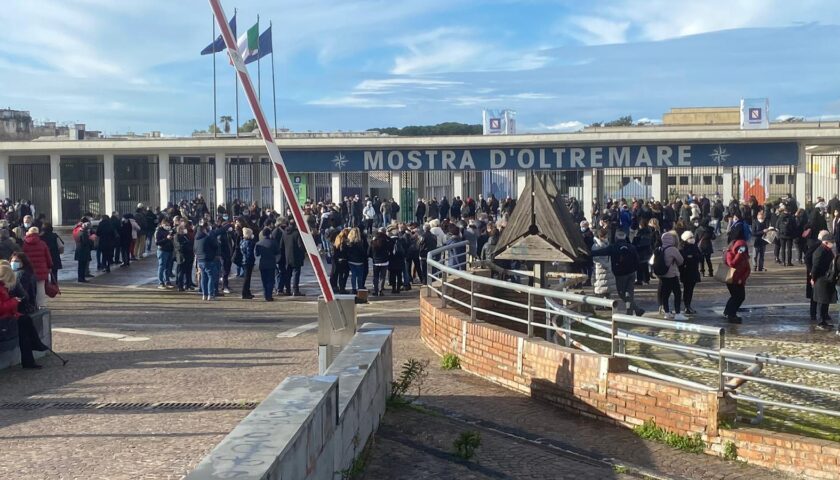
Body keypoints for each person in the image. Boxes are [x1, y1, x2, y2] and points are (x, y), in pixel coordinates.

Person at [591, 230, 644, 316]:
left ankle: (636, 310)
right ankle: (631, 313)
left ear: (616, 238)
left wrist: (588, 253)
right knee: (629, 293)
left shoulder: (613, 247)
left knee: (622, 294)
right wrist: (636, 271)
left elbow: (600, 252)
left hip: (621, 274)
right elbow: (637, 261)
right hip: (631, 273)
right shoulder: (631, 247)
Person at [9, 253, 48, 369]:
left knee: (25, 329)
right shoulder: (26, 273)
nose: (13, 263)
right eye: (12, 260)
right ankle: (36, 346)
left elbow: (23, 295)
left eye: (16, 261)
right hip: (21, 309)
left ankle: (35, 349)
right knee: (26, 327)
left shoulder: (19, 275)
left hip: (19, 309)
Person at [809, 230, 837, 330]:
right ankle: (821, 322)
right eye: (831, 242)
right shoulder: (820, 251)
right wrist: (813, 278)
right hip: (821, 279)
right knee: (822, 300)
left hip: (827, 278)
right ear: (826, 242)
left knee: (826, 300)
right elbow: (815, 267)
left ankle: (824, 318)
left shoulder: (827, 250)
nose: (833, 244)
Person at [657, 231, 686, 321]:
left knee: (665, 294)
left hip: (662, 275)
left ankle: (667, 313)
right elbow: (681, 261)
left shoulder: (659, 248)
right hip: (672, 275)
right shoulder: (672, 249)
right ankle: (677, 313)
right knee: (677, 293)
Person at [21, 227, 52, 308]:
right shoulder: (42, 243)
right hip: (41, 268)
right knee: (41, 287)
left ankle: (30, 304)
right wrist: (49, 266)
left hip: (29, 269)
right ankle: (41, 305)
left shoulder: (24, 243)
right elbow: (48, 256)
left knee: (29, 287)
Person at [723, 238, 751, 324]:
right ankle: (730, 313)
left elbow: (747, 268)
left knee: (740, 297)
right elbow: (732, 263)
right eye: (740, 247)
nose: (742, 249)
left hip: (740, 280)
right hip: (731, 279)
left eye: (743, 247)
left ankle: (729, 312)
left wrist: (742, 279)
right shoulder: (729, 253)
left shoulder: (744, 255)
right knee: (736, 297)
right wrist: (738, 254)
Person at [678, 231, 701, 315]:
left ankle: (688, 305)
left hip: (694, 270)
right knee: (687, 289)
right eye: (690, 238)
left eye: (692, 237)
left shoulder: (694, 246)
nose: (692, 239)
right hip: (686, 271)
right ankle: (686, 306)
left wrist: (692, 257)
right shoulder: (682, 247)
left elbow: (699, 256)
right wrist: (690, 257)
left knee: (690, 289)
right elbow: (683, 259)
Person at [282, 220, 306, 296]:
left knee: (288, 274)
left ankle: (288, 290)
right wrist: (303, 253)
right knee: (296, 274)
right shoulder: (297, 233)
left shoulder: (284, 233)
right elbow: (300, 246)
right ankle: (295, 290)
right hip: (296, 257)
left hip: (287, 257)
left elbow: (281, 245)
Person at [591, 229, 616, 299]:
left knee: (607, 288)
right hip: (600, 270)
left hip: (607, 269)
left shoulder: (607, 243)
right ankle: (599, 305)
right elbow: (596, 259)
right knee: (600, 288)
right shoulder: (595, 246)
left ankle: (607, 302)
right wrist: (606, 265)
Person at [255, 228, 276, 301]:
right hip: (271, 263)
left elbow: (257, 254)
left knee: (264, 280)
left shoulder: (258, 243)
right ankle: (269, 295)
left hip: (262, 263)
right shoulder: (273, 242)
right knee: (270, 280)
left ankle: (265, 295)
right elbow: (278, 252)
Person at [369, 229, 390, 296]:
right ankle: (380, 290)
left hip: (376, 262)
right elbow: (391, 246)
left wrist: (373, 257)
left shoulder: (373, 243)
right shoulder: (385, 242)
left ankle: (375, 290)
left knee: (375, 277)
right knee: (382, 277)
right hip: (384, 261)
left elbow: (368, 252)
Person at [155, 219, 175, 289]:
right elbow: (157, 242)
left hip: (169, 250)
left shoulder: (169, 231)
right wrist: (166, 239)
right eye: (166, 225)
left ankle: (167, 281)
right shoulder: (159, 231)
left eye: (168, 225)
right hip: (162, 250)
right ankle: (161, 282)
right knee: (162, 266)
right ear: (162, 224)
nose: (168, 226)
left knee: (168, 267)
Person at [346, 227, 366, 294]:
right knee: (360, 276)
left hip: (351, 261)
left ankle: (353, 288)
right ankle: (360, 288)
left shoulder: (349, 243)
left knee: (353, 275)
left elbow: (347, 252)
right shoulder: (360, 243)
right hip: (359, 262)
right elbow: (363, 253)